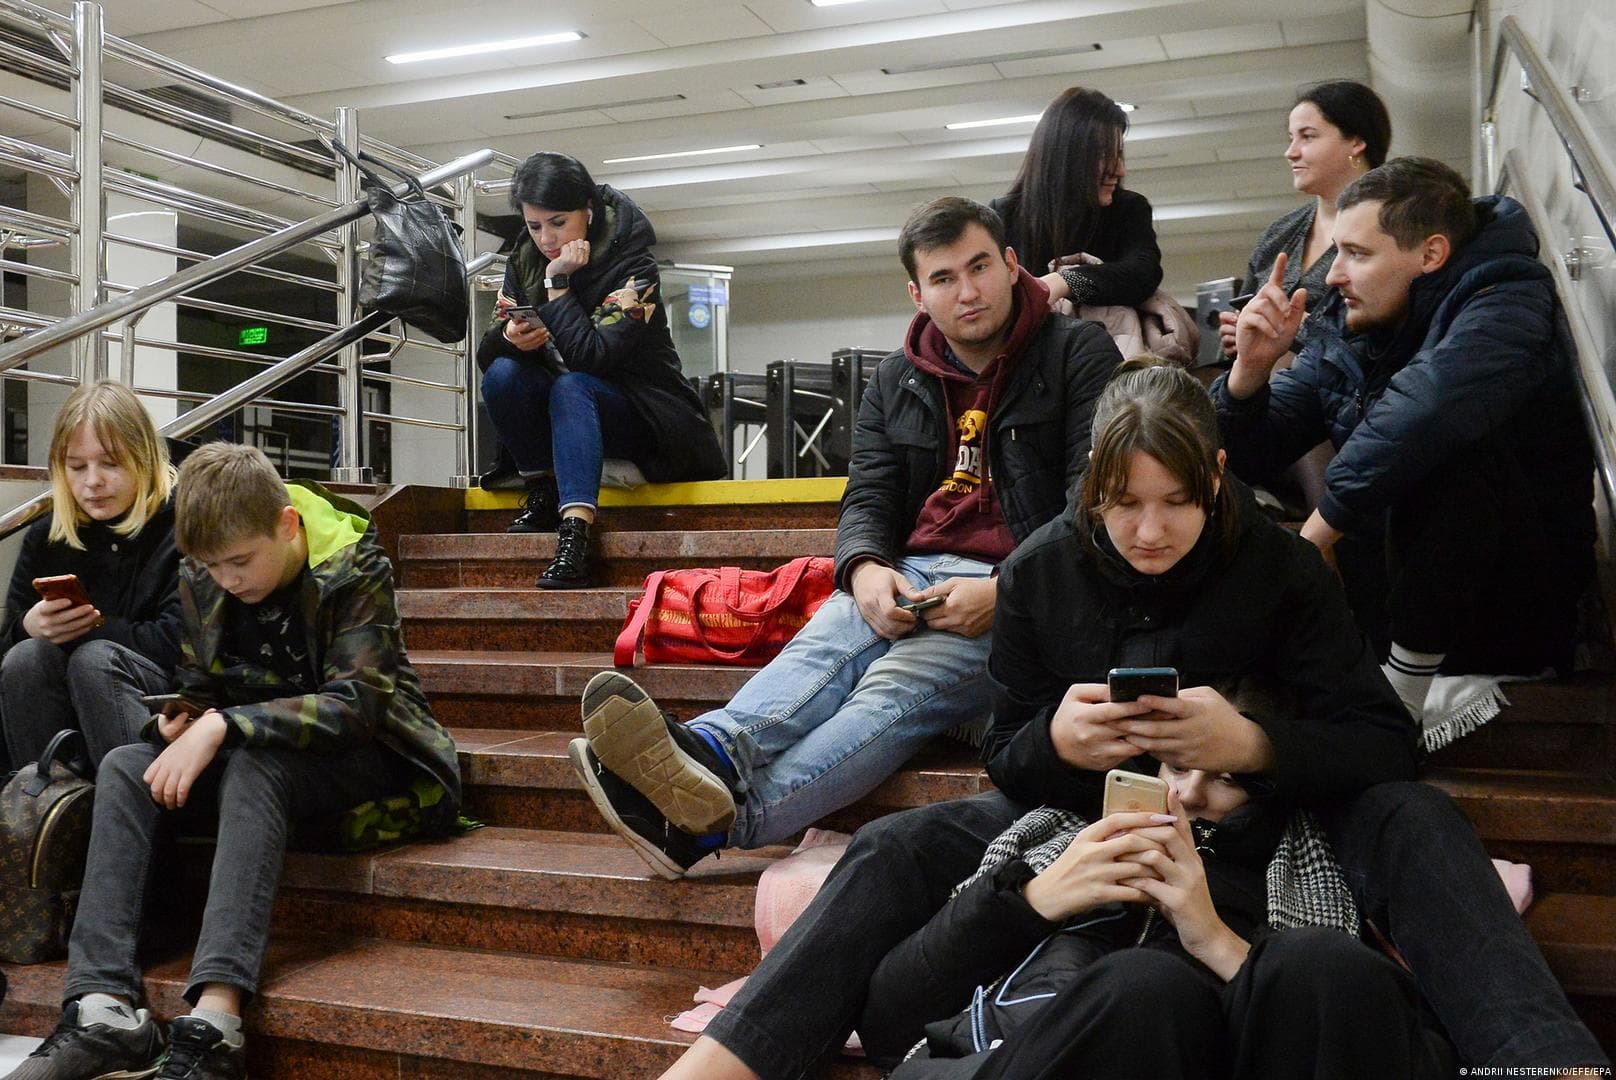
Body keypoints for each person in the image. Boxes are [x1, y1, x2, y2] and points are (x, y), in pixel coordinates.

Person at [657, 359, 1607, 1079]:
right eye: (1123, 507)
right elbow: (1009, 757)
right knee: (893, 849)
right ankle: (734, 1059)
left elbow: (1381, 744)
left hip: (1272, 816)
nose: (1150, 531)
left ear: (1219, 478)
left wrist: (1253, 747)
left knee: (1419, 818)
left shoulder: (1279, 566)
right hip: (1083, 809)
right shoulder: (1037, 571)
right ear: (1090, 491)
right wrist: (1057, 744)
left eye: (1178, 504)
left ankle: (1541, 1057)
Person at [568, 196, 1119, 881]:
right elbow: (870, 496)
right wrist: (862, 570)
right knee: (832, 640)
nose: (968, 291)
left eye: (980, 267)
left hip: (1025, 594)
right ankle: (711, 749)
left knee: (889, 690)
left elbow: (1091, 503)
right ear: (917, 293)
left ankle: (719, 821)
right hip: (912, 571)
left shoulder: (1076, 353)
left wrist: (1007, 593)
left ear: (1012, 266)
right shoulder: (897, 377)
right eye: (944, 278)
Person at [0, 441, 464, 1080]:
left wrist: (223, 723)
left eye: (240, 562)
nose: (227, 580)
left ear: (287, 524)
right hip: (258, 744)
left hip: (374, 757)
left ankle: (216, 1021)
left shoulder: (354, 568)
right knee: (125, 767)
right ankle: (102, 1008)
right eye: (211, 567)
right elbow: (200, 673)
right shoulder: (207, 570)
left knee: (255, 764)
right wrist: (185, 711)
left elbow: (358, 706)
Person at [1216, 156, 1594, 726]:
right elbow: (1253, 453)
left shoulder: (1507, 296)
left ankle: (1405, 697)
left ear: (1431, 254)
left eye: (1358, 254)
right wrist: (1249, 374)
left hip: (1509, 607)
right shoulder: (1356, 329)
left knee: (1438, 441)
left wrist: (1316, 530)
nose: (1334, 274)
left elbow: (1427, 406)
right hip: (1394, 607)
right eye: (1337, 250)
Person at [859, 765, 1453, 1079]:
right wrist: (1035, 899)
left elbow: (1406, 1050)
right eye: (1176, 767)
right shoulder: (1055, 846)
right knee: (1143, 990)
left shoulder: (1308, 877)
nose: (1189, 794)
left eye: (1227, 778)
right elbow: (891, 1024)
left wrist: (1214, 939)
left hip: (1226, 1047)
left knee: (1319, 963)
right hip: (1007, 1058)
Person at [475, 151, 724, 588]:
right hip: (568, 411)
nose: (546, 239)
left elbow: (593, 357)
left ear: (587, 212)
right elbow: (487, 352)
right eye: (534, 226)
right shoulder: (523, 262)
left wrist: (557, 284)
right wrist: (509, 339)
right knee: (502, 374)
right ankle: (543, 490)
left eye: (558, 222)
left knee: (574, 386)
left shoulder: (635, 267)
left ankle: (576, 535)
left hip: (645, 415)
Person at [0, 379, 182, 769]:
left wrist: (89, 629)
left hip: (160, 710)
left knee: (94, 660)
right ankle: (45, 810)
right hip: (68, 712)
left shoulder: (182, 525)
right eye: (76, 467)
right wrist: (27, 627)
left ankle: (132, 806)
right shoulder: (46, 536)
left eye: (110, 464)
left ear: (144, 458)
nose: (92, 481)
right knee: (26, 657)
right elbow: (1, 665)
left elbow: (178, 648)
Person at [1216, 81, 1391, 364]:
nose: (1291, 152)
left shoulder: (1395, 226)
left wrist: (1301, 329)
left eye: (1307, 137)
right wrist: (1238, 335)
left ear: (1357, 142)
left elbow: (1401, 335)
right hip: (1271, 398)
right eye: (1291, 138)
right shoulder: (1278, 235)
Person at [991, 87, 1162, 309]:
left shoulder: (1128, 210)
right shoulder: (1005, 216)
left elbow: (1143, 274)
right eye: (1104, 156)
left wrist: (1066, 281)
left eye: (1119, 155)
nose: (1120, 170)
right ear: (1067, 158)